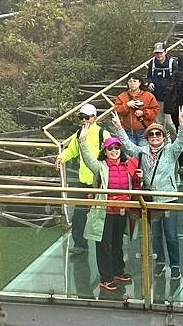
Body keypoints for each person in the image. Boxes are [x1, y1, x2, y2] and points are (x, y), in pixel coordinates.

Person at [112, 107, 183, 280]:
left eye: (158, 134)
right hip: (151, 199)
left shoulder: (170, 151)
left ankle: (175, 265)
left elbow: (181, 143)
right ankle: (160, 262)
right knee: (156, 235)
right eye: (152, 134)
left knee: (171, 234)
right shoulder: (143, 152)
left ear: (163, 137)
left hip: (168, 198)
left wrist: (182, 125)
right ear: (147, 138)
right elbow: (129, 146)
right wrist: (119, 128)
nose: (155, 137)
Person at [78, 131, 141, 291]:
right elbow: (88, 159)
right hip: (105, 211)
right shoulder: (100, 167)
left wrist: (138, 178)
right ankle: (106, 277)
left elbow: (136, 181)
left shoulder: (128, 165)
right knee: (104, 244)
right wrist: (83, 141)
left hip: (122, 210)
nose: (114, 151)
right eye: (110, 148)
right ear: (105, 151)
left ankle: (118, 271)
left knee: (118, 242)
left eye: (116, 148)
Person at [55, 103, 110, 255]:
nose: (84, 120)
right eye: (81, 117)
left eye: (86, 117)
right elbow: (71, 150)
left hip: (99, 182)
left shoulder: (103, 134)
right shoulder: (79, 133)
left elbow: (113, 153)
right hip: (84, 181)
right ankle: (80, 243)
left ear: (94, 118)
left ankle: (106, 243)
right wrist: (61, 157)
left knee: (103, 214)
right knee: (79, 214)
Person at [114, 74, 159, 146]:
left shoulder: (148, 95)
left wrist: (143, 112)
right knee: (130, 154)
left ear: (140, 82)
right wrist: (127, 105)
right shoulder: (122, 96)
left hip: (144, 130)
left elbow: (156, 110)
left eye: (134, 81)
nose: (132, 83)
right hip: (128, 131)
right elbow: (117, 110)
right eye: (130, 81)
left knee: (142, 153)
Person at [147, 42, 178, 128]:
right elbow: (149, 76)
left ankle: (175, 140)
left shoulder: (172, 63)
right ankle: (161, 140)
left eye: (160, 52)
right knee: (158, 122)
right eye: (157, 53)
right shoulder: (152, 63)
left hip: (169, 98)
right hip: (156, 97)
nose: (159, 55)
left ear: (165, 52)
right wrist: (150, 83)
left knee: (170, 123)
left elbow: (176, 79)